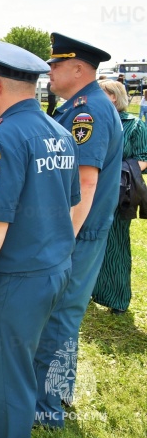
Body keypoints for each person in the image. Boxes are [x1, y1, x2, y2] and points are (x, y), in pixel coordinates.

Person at [0, 41, 80, 438]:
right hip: (50, 270)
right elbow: (71, 203)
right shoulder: (58, 132)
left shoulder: (2, 140)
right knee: (19, 367)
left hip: (12, 280)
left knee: (5, 379)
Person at [33, 33, 123, 427]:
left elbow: (86, 184)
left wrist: (61, 241)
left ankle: (46, 407)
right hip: (83, 231)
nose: (49, 71)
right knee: (64, 315)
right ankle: (58, 392)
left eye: (55, 64)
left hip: (78, 233)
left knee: (59, 317)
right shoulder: (83, 106)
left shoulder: (88, 112)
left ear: (78, 68)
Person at [92, 80, 147, 314]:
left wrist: (117, 169)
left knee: (115, 246)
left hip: (117, 192)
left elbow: (144, 158)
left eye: (100, 93)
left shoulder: (134, 125)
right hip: (89, 191)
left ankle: (116, 299)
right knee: (88, 243)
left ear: (114, 97)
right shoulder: (91, 122)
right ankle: (87, 292)